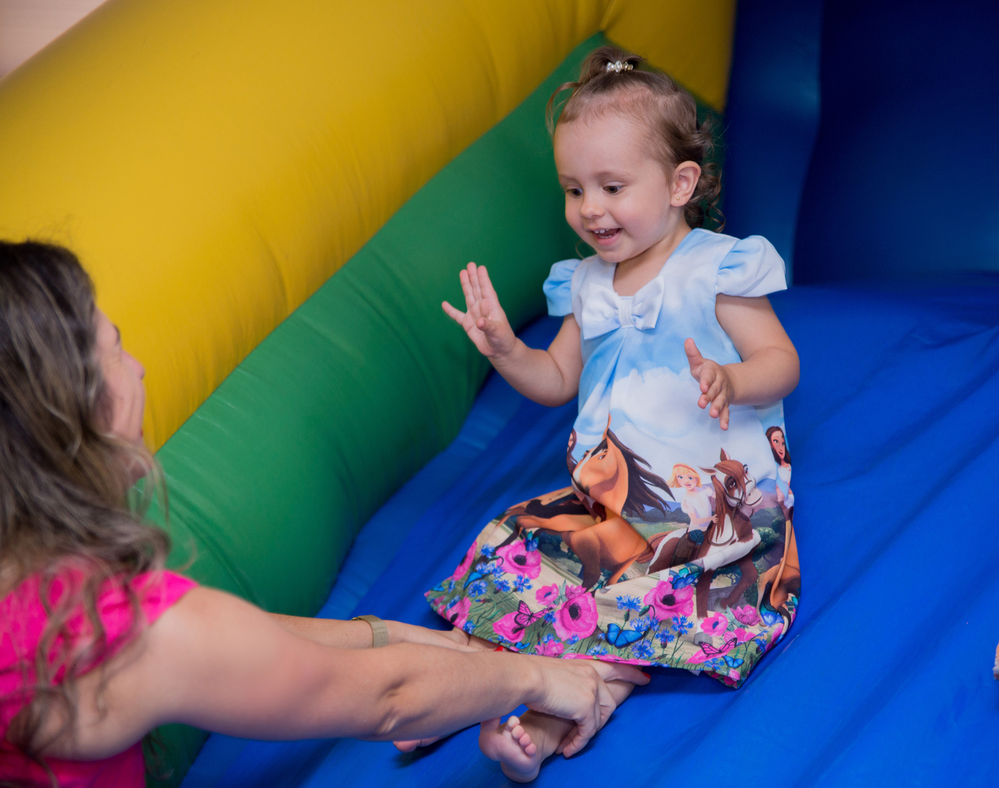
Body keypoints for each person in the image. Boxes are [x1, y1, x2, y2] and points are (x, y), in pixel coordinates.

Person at [0, 240, 648, 787]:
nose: (136, 365)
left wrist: (427, 642)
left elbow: (247, 642)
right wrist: (538, 678)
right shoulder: (124, 633)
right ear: (74, 409)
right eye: (113, 344)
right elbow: (388, 699)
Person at [435, 46, 802, 781]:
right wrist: (506, 349)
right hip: (611, 503)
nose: (590, 209)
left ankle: (564, 712)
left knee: (649, 601)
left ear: (679, 184)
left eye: (611, 186)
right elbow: (556, 378)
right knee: (522, 554)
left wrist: (731, 379)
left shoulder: (717, 266)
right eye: (574, 189)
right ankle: (457, 693)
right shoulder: (587, 284)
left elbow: (783, 362)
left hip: (708, 514)